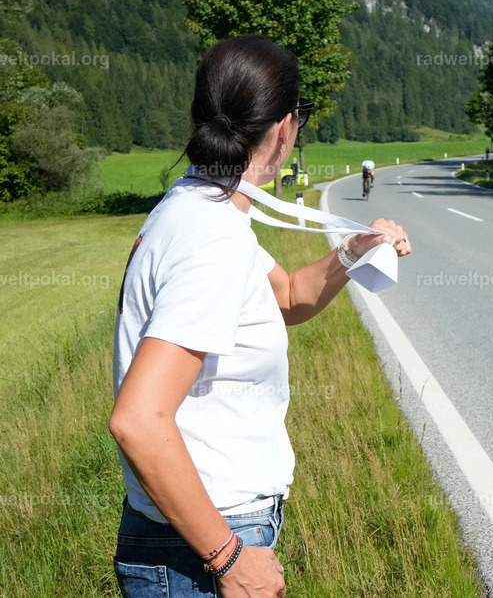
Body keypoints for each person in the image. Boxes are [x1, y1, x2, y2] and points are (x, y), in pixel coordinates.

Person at [109, 35, 411, 598]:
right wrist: (229, 560)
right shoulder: (212, 237)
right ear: (285, 127)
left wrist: (354, 251)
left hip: (191, 532)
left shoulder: (198, 206)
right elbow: (138, 419)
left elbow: (291, 296)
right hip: (203, 545)